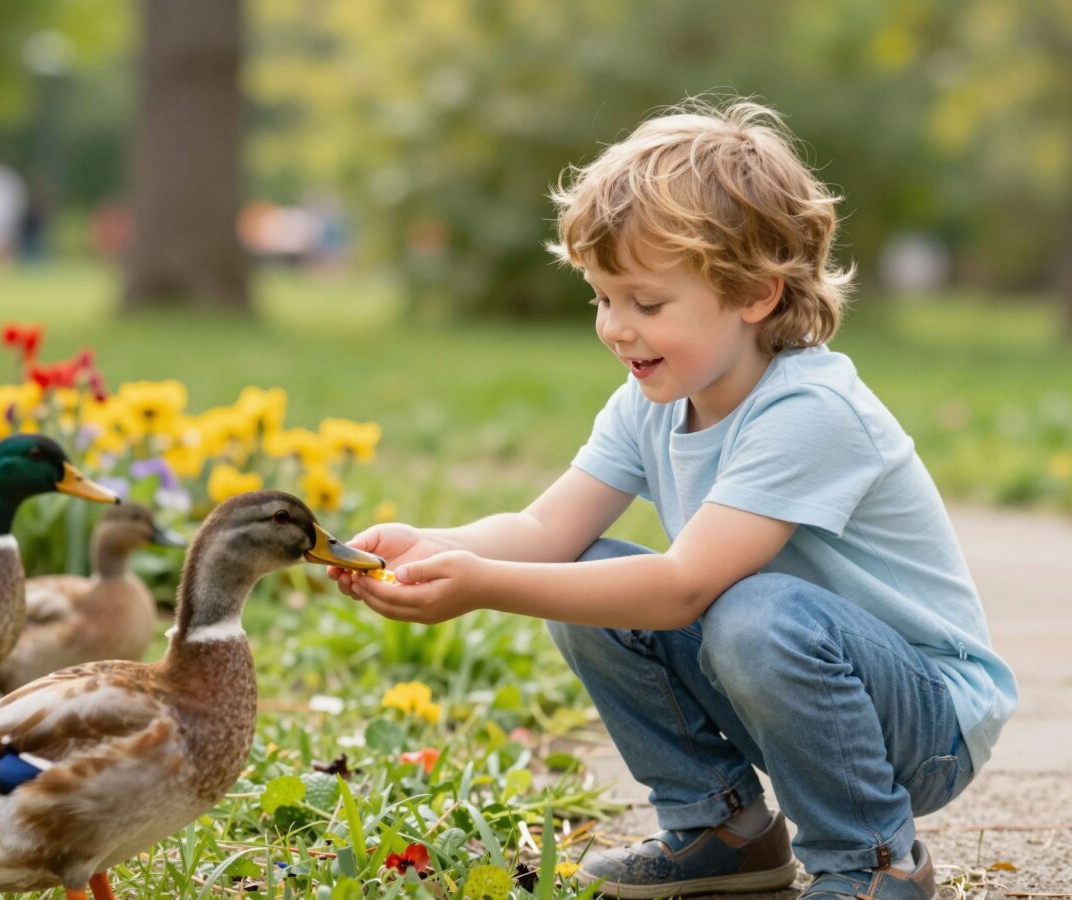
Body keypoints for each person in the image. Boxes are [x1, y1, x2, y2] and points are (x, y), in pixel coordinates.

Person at [328, 99, 1017, 900]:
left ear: (756, 294)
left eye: (646, 304)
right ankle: (723, 829)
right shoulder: (651, 401)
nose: (617, 329)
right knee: (586, 576)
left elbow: (684, 588)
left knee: (749, 611)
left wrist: (483, 587)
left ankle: (872, 859)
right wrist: (436, 546)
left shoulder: (811, 412)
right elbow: (544, 529)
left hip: (923, 724)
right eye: (602, 298)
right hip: (781, 676)